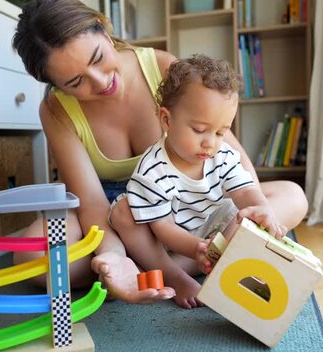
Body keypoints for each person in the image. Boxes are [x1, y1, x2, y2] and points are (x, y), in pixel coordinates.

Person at [11, 0, 308, 305]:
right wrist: (113, 253)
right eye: (75, 82)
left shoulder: (161, 67)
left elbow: (230, 155)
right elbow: (93, 203)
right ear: (56, 84)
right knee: (33, 255)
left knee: (292, 196)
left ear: (103, 29)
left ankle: (165, 266)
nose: (100, 82)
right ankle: (171, 262)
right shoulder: (56, 110)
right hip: (119, 218)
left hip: (188, 203)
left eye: (98, 58)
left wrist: (254, 212)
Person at [110, 55, 288, 309]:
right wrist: (194, 247)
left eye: (220, 132)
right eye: (199, 130)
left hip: (207, 230)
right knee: (123, 213)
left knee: (245, 213)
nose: (210, 143)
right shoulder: (152, 169)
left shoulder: (222, 154)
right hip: (163, 239)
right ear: (167, 120)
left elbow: (245, 190)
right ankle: (175, 276)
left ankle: (209, 263)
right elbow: (163, 227)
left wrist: (262, 208)